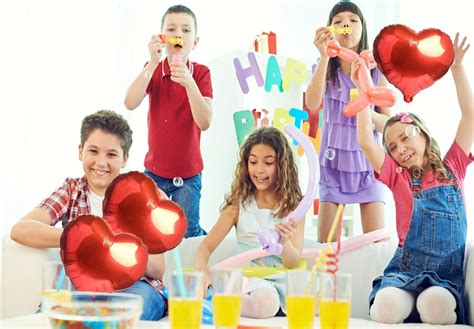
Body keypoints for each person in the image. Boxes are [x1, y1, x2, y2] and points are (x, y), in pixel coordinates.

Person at [355, 34, 472, 324]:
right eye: (393, 147)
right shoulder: (399, 178)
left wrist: (457, 68)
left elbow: (470, 115)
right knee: (384, 308)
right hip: (405, 272)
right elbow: (367, 144)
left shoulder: (453, 165)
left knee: (436, 307)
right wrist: (362, 94)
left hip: (445, 276)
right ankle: (407, 306)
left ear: (421, 132)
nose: (400, 149)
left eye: (404, 138)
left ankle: (421, 306)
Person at [10, 110, 168, 321]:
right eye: (93, 151)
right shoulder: (71, 191)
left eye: (111, 154)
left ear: (125, 159)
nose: (101, 163)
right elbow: (21, 230)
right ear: (80, 151)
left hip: (136, 287)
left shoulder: (141, 195)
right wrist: (80, 236)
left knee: (117, 315)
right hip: (84, 286)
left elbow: (157, 269)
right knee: (50, 316)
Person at [195, 127, 304, 318]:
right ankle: (212, 300)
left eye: (268, 162)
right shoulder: (239, 205)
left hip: (280, 282)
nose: (259, 170)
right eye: (253, 162)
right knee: (265, 302)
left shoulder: (295, 207)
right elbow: (204, 247)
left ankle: (227, 301)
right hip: (248, 281)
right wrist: (202, 273)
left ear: (282, 165)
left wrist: (284, 242)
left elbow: (293, 262)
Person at [124, 4, 213, 238]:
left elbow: (205, 121)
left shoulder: (201, 73)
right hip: (154, 173)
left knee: (187, 232)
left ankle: (205, 247)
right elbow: (129, 102)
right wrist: (152, 63)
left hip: (189, 174)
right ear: (162, 38)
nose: (178, 35)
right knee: (150, 232)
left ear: (195, 41)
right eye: (171, 29)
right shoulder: (153, 70)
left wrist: (189, 82)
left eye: (185, 30)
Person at [305, 1, 389, 242]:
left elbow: (387, 124)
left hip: (369, 165)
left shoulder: (376, 72)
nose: (346, 25)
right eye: (339, 21)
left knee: (377, 244)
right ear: (331, 30)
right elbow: (312, 103)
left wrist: (364, 110)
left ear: (363, 28)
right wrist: (323, 57)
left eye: (353, 20)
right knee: (326, 248)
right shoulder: (324, 69)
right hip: (332, 165)